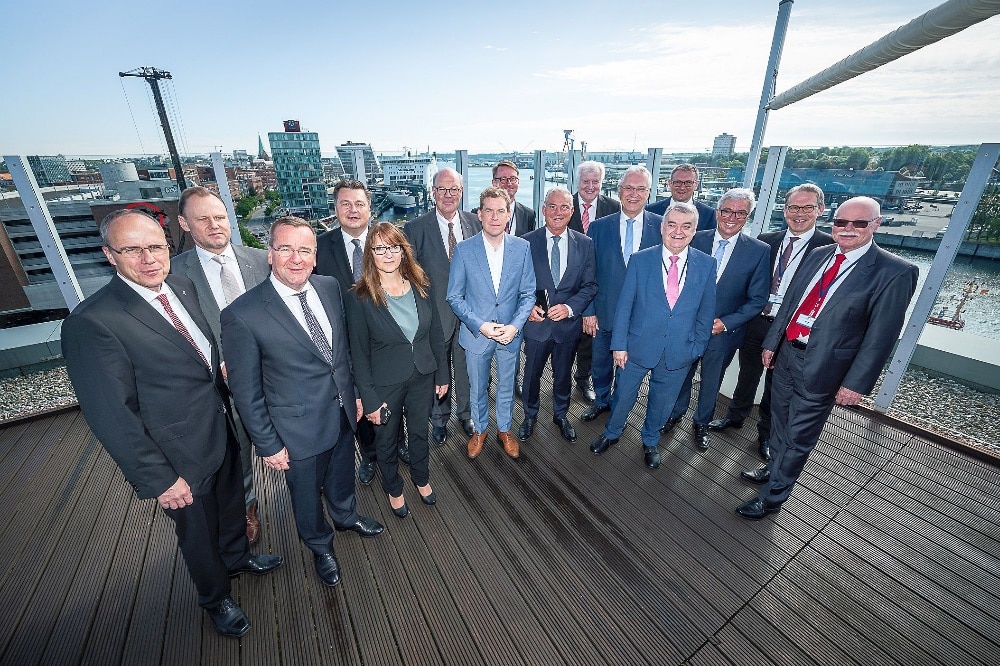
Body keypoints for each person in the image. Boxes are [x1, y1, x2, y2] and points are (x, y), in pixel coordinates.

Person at [63, 209, 282, 638]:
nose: (148, 258)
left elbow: (197, 354)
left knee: (232, 505)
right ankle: (215, 596)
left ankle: (238, 558)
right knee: (198, 532)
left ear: (169, 248)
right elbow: (111, 415)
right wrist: (159, 478)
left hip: (219, 429)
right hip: (176, 454)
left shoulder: (179, 285)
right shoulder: (92, 323)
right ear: (110, 255)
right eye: (133, 249)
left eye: (155, 247)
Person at [222, 216, 384, 588]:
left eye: (304, 250)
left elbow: (339, 354)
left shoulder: (328, 287)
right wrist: (267, 443)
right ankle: (319, 545)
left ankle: (345, 516)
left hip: (342, 411)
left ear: (315, 257)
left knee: (342, 473)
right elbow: (246, 391)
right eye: (286, 249)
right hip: (295, 429)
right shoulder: (242, 314)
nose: (295, 258)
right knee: (307, 495)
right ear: (270, 254)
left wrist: (355, 394)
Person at [736, 196, 918, 519]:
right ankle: (773, 468)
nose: (847, 229)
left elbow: (881, 336)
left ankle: (774, 496)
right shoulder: (819, 254)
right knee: (778, 422)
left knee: (799, 435)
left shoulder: (894, 273)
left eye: (858, 223)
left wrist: (856, 383)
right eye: (841, 222)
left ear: (875, 224)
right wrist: (772, 342)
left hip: (825, 368)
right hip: (788, 353)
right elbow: (792, 301)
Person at [171, 186, 271, 545]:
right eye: (203, 219)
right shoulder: (172, 275)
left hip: (273, 375)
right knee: (235, 447)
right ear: (184, 223)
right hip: (219, 385)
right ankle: (246, 504)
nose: (214, 225)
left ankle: (310, 485)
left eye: (219, 216)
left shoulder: (263, 260)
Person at [708, 183, 835, 461]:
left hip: (790, 327)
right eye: (793, 207)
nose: (798, 213)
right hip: (757, 320)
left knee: (776, 384)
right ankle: (735, 416)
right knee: (748, 372)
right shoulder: (766, 240)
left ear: (820, 210)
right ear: (784, 210)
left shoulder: (829, 248)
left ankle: (765, 435)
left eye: (807, 207)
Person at [590, 203, 716, 469]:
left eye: (686, 226)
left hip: (680, 350)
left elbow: (706, 312)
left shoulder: (706, 264)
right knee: (623, 394)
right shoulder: (641, 259)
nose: (678, 231)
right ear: (662, 227)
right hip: (636, 346)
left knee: (663, 400)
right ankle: (612, 432)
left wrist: (697, 348)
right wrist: (619, 345)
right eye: (672, 224)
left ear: (695, 231)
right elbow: (625, 307)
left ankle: (650, 440)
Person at [345, 222, 450, 518]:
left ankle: (421, 478)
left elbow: (436, 334)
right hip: (384, 383)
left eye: (393, 247)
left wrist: (443, 374)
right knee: (387, 440)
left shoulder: (421, 284)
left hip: (422, 374)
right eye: (380, 248)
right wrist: (368, 398)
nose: (388, 254)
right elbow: (359, 354)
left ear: (403, 252)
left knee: (419, 432)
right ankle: (393, 487)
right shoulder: (359, 297)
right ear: (370, 254)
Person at [661, 188, 770, 450]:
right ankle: (675, 414)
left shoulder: (758, 251)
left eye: (740, 212)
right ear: (717, 212)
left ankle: (701, 423)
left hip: (723, 333)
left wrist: (725, 323)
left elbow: (757, 299)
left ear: (748, 216)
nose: (732, 217)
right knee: (681, 374)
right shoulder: (693, 239)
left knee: (712, 381)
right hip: (686, 328)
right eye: (727, 210)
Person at [446, 186, 535, 459]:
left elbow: (528, 293)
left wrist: (515, 326)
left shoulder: (522, 248)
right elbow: (454, 296)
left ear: (508, 214)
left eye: (500, 211)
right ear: (480, 214)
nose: (495, 217)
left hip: (510, 333)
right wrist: (481, 325)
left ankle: (505, 429)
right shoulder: (463, 250)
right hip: (477, 334)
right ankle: (480, 429)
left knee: (507, 386)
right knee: (477, 387)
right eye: (489, 211)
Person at [580, 165, 663, 423]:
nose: (633, 194)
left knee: (629, 370)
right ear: (618, 191)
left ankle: (620, 408)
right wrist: (589, 311)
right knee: (601, 364)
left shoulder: (662, 228)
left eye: (640, 189)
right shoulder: (598, 227)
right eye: (628, 188)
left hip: (641, 317)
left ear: (649, 193)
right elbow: (588, 273)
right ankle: (602, 401)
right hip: (604, 312)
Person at [404, 168, 482, 444]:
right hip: (434, 313)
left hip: (469, 313)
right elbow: (410, 274)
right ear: (433, 192)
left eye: (454, 190)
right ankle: (439, 419)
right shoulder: (415, 228)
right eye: (442, 189)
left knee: (465, 366)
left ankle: (466, 413)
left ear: (461, 192)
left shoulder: (475, 222)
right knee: (438, 367)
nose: (448, 195)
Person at [314, 179, 382, 484]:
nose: (353, 210)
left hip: (385, 338)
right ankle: (369, 455)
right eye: (345, 204)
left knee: (392, 392)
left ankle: (398, 443)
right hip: (340, 343)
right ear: (336, 208)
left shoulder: (388, 240)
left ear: (370, 208)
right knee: (356, 398)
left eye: (359, 203)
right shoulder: (319, 247)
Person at [518, 188, 598, 444]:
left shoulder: (584, 244)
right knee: (531, 375)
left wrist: (570, 308)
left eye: (564, 207)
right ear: (543, 210)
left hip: (567, 326)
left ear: (572, 211)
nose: (557, 212)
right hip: (536, 325)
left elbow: (590, 286)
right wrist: (527, 306)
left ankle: (560, 415)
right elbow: (515, 284)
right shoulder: (524, 242)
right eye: (552, 206)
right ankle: (529, 415)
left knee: (563, 375)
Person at [567, 160, 620, 402]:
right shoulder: (564, 205)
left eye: (595, 181)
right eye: (585, 181)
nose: (590, 186)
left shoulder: (615, 208)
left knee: (590, 336)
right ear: (577, 182)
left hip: (597, 284)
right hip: (567, 284)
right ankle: (560, 379)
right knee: (565, 336)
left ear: (601, 182)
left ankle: (582, 377)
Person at [645, 163, 717, 231]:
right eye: (678, 182)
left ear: (696, 185)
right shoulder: (651, 210)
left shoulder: (709, 215)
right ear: (670, 183)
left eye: (688, 183)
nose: (682, 187)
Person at [491, 159, 536, 236]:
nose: (509, 183)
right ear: (494, 183)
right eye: (503, 179)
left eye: (513, 179)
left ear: (518, 182)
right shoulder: (478, 214)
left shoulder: (528, 215)